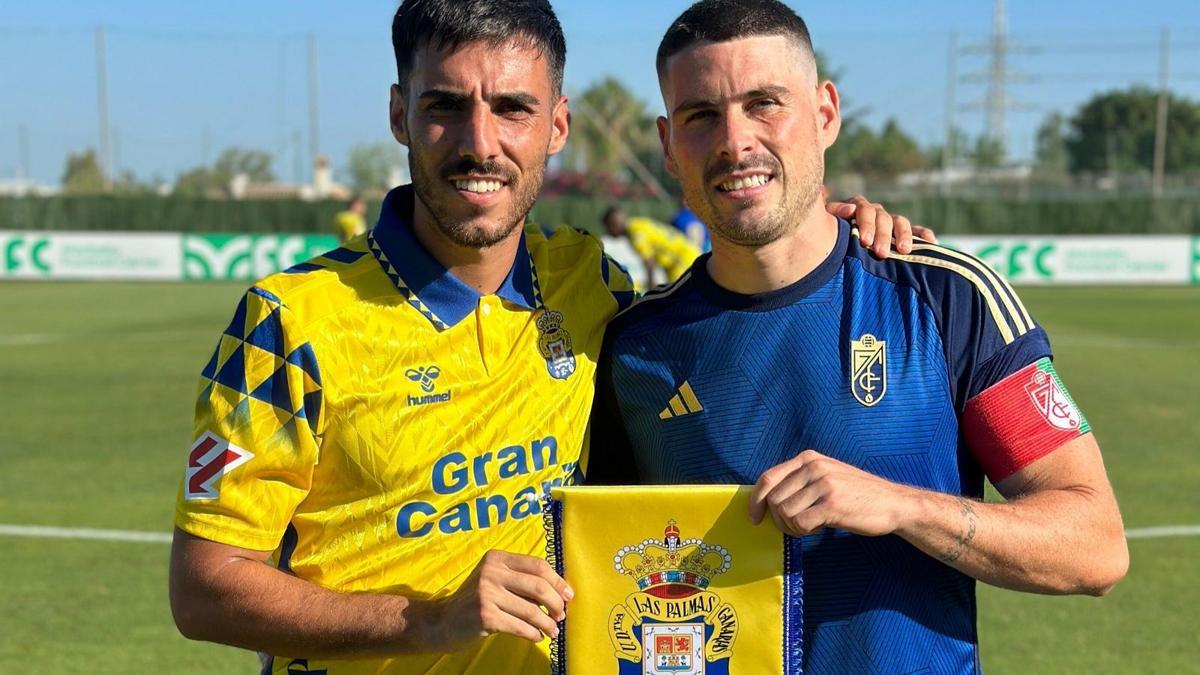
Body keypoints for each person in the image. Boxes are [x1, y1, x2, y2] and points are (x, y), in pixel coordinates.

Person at [169, 1, 926, 672]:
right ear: (399, 115)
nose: (480, 141)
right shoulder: (289, 320)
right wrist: (427, 617)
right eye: (444, 106)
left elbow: (744, 272)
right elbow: (204, 588)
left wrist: (831, 221)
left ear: (557, 124)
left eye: (512, 108)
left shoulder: (588, 284)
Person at [585, 2, 1128, 674]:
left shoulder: (948, 298)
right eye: (702, 116)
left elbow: (1096, 545)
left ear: (825, 113)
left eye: (764, 103)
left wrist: (899, 504)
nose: (735, 141)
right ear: (669, 145)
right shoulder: (631, 347)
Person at [601, 206, 700, 288]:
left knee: (680, 298)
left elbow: (649, 263)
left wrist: (651, 288)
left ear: (613, 224)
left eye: (607, 227)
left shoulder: (635, 233)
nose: (608, 232)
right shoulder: (638, 223)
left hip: (682, 259)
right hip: (682, 257)